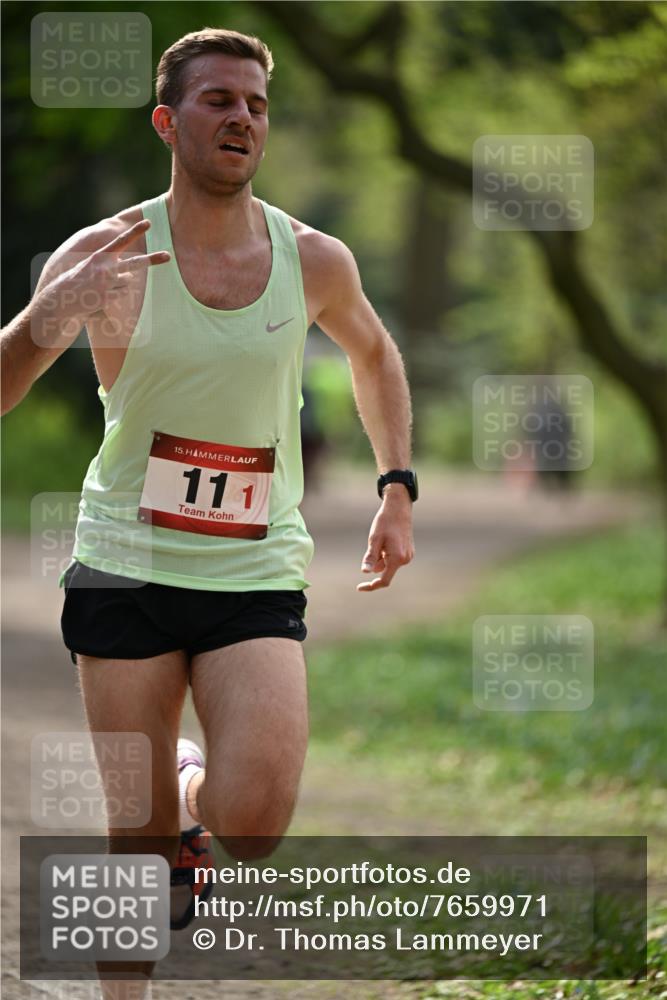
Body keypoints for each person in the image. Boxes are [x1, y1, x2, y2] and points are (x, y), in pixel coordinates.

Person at [1, 27, 416, 995]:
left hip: (251, 564)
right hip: (123, 562)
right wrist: (44, 313)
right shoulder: (103, 254)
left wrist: (396, 485)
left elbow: (374, 353)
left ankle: (193, 785)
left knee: (256, 823)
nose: (241, 118)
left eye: (256, 105)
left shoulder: (310, 259)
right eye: (219, 100)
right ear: (167, 120)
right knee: (132, 837)